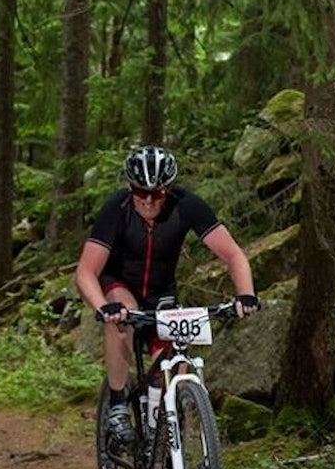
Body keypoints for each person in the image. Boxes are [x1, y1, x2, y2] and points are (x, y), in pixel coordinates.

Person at [74, 145, 261, 443]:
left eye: (157, 193)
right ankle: (119, 404)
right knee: (122, 318)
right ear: (129, 187)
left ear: (168, 189)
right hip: (119, 282)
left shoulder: (186, 205)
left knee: (177, 360)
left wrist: (246, 294)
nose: (148, 200)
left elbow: (233, 254)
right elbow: (86, 272)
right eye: (140, 191)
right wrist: (101, 307)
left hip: (162, 293)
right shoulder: (116, 208)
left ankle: (162, 431)